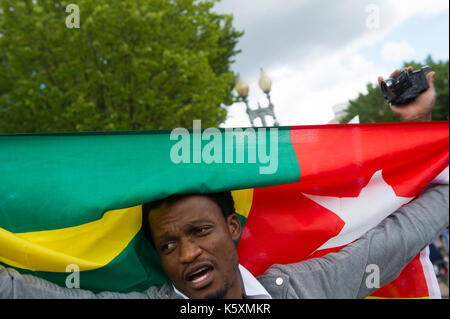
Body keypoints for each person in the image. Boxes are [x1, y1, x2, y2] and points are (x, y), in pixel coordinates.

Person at [0, 67, 448, 299]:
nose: (188, 252)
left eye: (199, 231)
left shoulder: (305, 288)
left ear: (232, 227)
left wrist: (420, 129)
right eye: (169, 244)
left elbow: (403, 230)